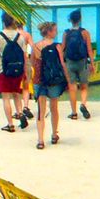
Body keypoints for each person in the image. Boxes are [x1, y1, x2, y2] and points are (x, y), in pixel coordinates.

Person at [0, 12, 30, 132]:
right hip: (18, 69)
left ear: (3, 22)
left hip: (4, 69)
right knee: (16, 94)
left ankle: (10, 124)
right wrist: (26, 71)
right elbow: (24, 56)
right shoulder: (20, 37)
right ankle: (20, 113)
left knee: (6, 97)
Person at [31, 21, 68, 149]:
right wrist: (67, 79)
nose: (56, 32)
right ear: (49, 32)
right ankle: (54, 134)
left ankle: (40, 140)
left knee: (41, 110)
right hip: (53, 80)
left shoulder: (35, 46)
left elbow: (32, 64)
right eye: (54, 30)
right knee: (54, 108)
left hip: (40, 80)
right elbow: (62, 64)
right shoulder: (57, 46)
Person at [61, 8, 94, 120]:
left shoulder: (66, 33)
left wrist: (61, 62)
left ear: (70, 20)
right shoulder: (85, 33)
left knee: (72, 88)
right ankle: (83, 104)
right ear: (80, 20)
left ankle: (74, 113)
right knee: (84, 86)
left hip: (70, 62)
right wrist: (92, 64)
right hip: (82, 62)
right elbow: (89, 50)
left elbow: (63, 48)